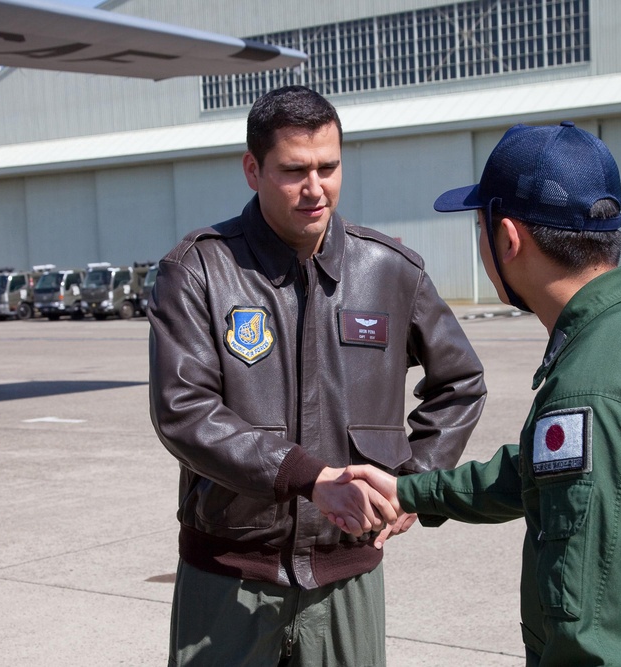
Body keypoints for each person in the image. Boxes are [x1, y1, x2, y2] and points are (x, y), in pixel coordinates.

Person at [339, 121, 621, 665]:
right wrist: (411, 492)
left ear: (507, 237)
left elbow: (593, 638)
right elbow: (543, 472)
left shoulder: (591, 392)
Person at [147, 85, 487, 665]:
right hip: (228, 575)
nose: (315, 188)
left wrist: (415, 485)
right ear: (252, 169)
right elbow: (184, 411)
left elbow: (460, 382)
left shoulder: (390, 271)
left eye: (328, 168)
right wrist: (308, 477)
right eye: (294, 170)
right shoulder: (199, 270)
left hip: (346, 577)